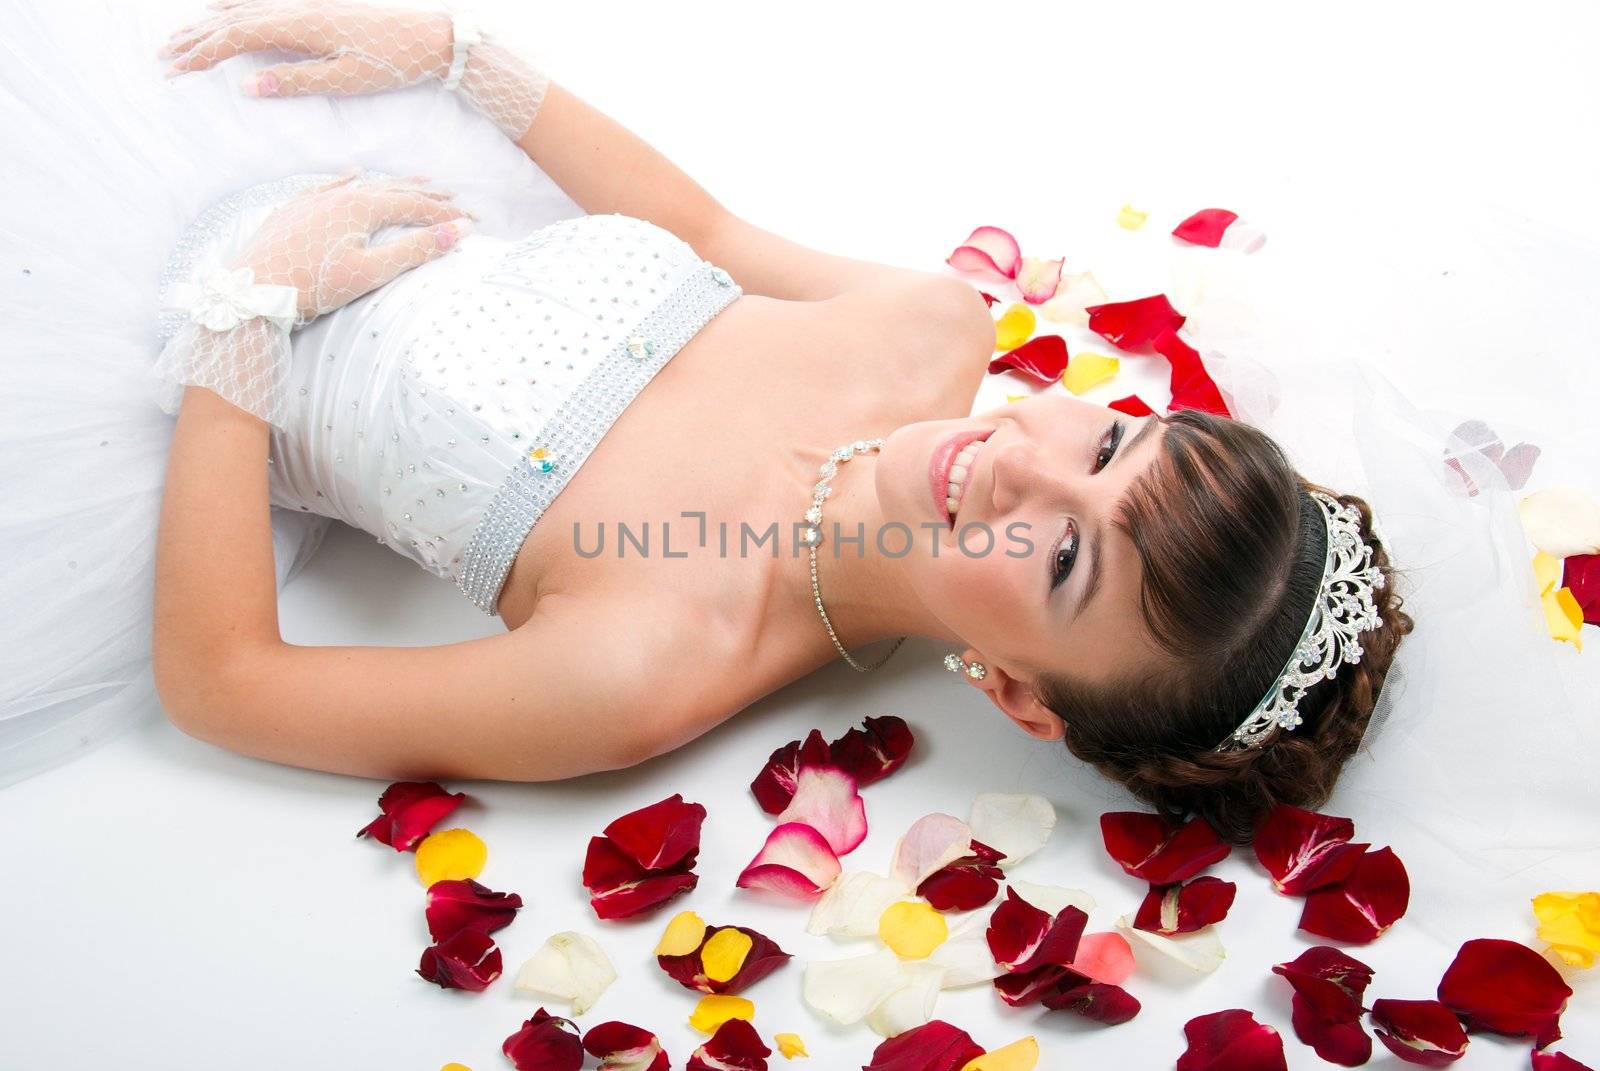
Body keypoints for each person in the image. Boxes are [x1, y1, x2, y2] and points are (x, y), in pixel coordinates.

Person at [7, 0, 1553, 863]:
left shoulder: (639, 666)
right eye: (1106, 448)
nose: (1016, 461)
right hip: (295, 132)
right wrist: (465, 61)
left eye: (1066, 560)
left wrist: (236, 330)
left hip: (131, 341)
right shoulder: (926, 330)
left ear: (1017, 697)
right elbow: (698, 221)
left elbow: (225, 683)